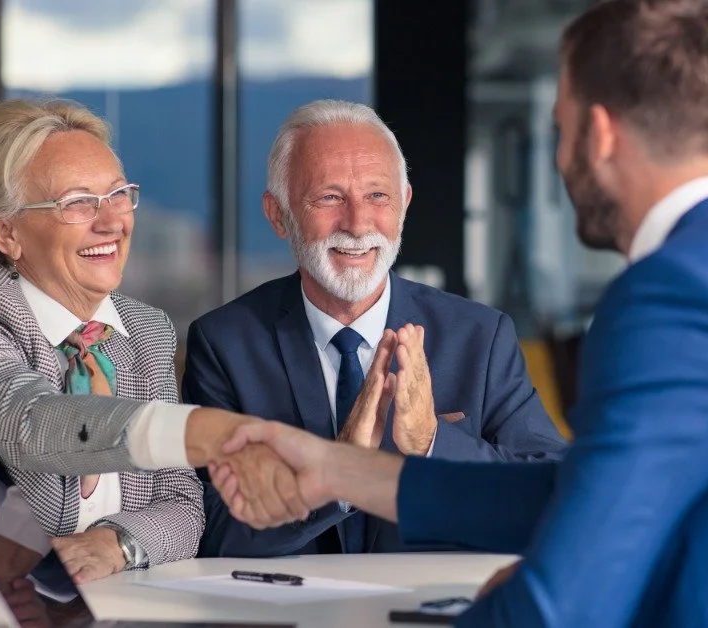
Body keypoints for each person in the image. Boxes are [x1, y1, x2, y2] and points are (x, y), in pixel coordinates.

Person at [208, 1, 708, 625]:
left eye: (558, 129)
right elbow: (576, 494)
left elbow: (565, 604)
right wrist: (338, 472)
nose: (559, 159)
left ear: (598, 134)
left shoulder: (677, 294)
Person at [0, 98, 307, 578]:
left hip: (63, 607)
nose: (111, 221)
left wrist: (117, 542)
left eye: (118, 194)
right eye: (77, 202)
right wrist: (200, 432)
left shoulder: (146, 334)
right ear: (6, 231)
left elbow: (182, 505)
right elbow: (29, 423)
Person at [184, 99, 567, 557]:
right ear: (278, 214)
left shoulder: (481, 338)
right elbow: (211, 531)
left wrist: (431, 441)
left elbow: (553, 496)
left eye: (377, 196)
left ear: (403, 203)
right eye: (329, 197)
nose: (358, 223)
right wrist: (336, 472)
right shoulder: (225, 343)